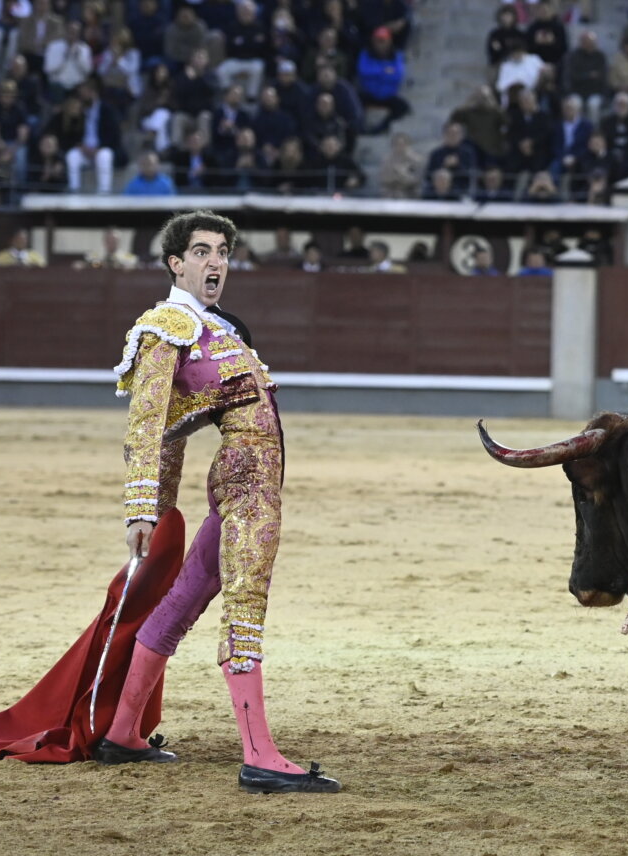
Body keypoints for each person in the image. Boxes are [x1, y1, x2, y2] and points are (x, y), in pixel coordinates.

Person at [104, 209, 341, 794]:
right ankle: (259, 755)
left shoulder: (219, 328)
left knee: (182, 603)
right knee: (246, 605)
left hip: (247, 481)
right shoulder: (165, 327)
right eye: (202, 251)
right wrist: (145, 509)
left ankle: (122, 733)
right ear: (176, 263)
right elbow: (150, 425)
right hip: (247, 483)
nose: (216, 262)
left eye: (223, 253)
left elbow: (178, 424)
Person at [355, 26, 410, 135]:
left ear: (389, 41)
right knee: (355, 100)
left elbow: (398, 75)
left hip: (388, 96)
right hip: (370, 94)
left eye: (383, 41)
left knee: (403, 107)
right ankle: (360, 128)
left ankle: (382, 127)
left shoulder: (397, 55)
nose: (380, 44)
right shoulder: (366, 53)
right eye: (378, 41)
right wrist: (384, 71)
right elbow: (363, 71)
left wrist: (376, 73)